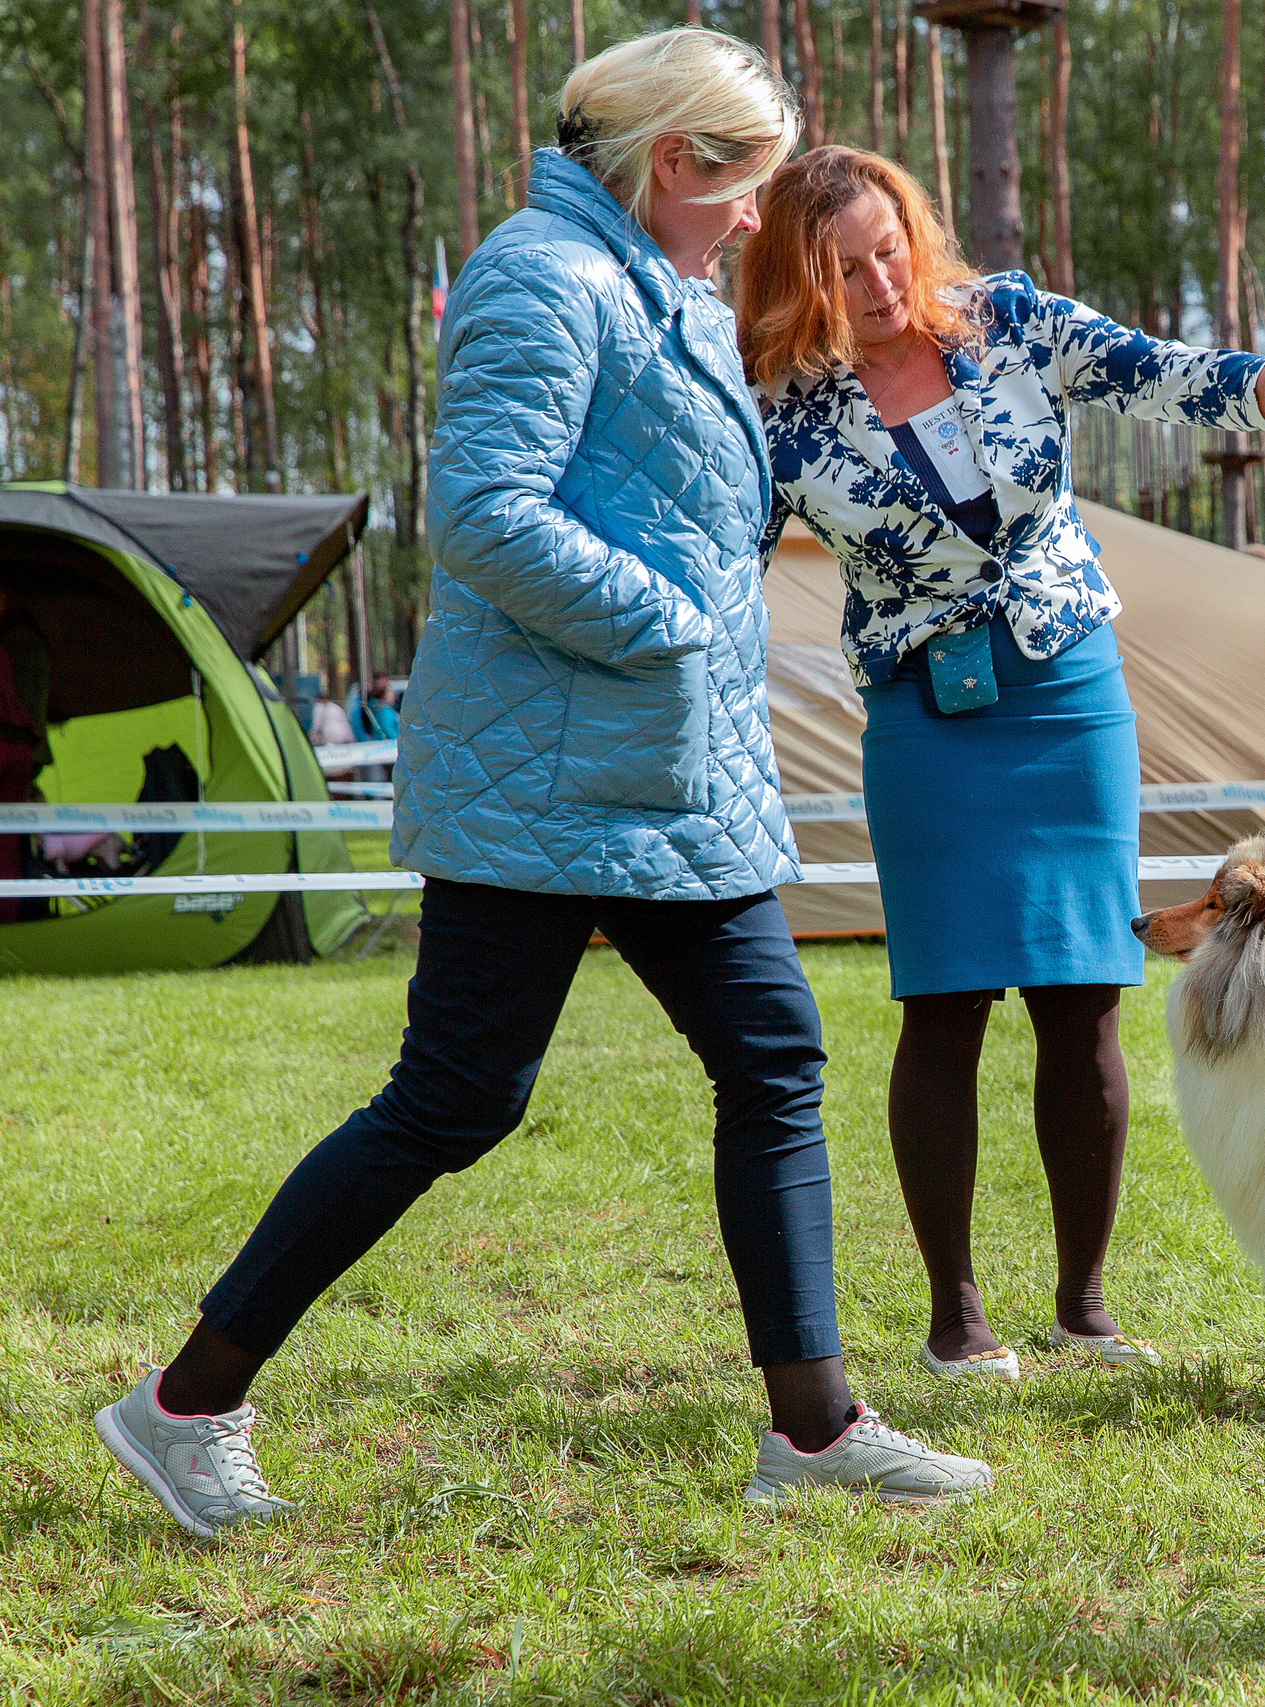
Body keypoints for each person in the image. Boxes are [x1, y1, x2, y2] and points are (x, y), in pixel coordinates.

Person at [92, 29, 991, 1541]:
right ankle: (185, 1403)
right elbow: (485, 514)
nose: (757, 219)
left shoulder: (664, 284)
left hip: (666, 775)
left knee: (772, 1055)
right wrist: (672, 618)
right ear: (669, 167)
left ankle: (815, 1424)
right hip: (552, 771)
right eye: (745, 186)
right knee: (454, 1100)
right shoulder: (543, 274)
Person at [739, 145, 1265, 1382]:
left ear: (913, 229)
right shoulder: (780, 410)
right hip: (924, 715)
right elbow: (720, 556)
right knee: (945, 1002)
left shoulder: (1010, 319)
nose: (877, 281)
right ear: (799, 284)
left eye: (888, 248)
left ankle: (1084, 1310)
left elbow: (1161, 374)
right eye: (843, 269)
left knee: (1082, 998)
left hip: (1068, 689)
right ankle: (955, 1317)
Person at [0, 586, 51, 925]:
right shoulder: (23, 643)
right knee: (14, 845)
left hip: (10, 748)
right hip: (22, 749)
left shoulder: (15, 645)